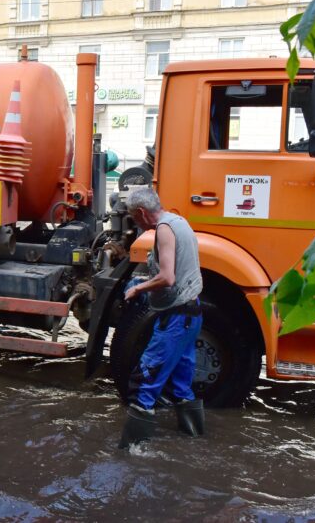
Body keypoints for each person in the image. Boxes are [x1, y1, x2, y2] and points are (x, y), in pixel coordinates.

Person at [118, 188, 204, 448]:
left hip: (176, 318)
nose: (136, 223)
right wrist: (146, 281)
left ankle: (131, 452)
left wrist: (137, 288)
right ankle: (195, 441)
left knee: (145, 380)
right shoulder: (180, 221)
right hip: (192, 312)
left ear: (142, 213)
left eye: (134, 218)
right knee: (180, 385)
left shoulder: (164, 230)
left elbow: (168, 277)